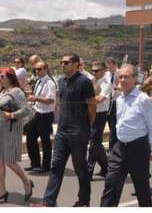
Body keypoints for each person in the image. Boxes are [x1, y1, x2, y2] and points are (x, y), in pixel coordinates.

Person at [32, 54, 95, 207]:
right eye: (61, 62)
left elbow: (92, 106)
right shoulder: (62, 81)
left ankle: (84, 200)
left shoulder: (84, 82)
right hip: (62, 130)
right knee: (56, 166)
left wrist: (87, 127)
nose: (63, 65)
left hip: (78, 131)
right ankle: (48, 201)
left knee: (80, 167)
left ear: (75, 64)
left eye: (66, 62)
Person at [99, 64, 152, 206]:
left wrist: (149, 148)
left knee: (142, 188)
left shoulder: (143, 99)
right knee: (111, 186)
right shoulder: (119, 100)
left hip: (138, 149)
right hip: (119, 149)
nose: (123, 80)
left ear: (134, 79)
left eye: (126, 77)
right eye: (120, 77)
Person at [0, 68, 33, 204]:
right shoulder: (2, 92)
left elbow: (27, 110)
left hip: (10, 130)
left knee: (9, 161)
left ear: (9, 77)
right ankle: (1, 190)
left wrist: (12, 115)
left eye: (2, 76)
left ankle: (26, 182)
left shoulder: (16, 92)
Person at [25, 59, 56, 174]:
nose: (37, 71)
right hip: (37, 113)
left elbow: (51, 100)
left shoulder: (50, 83)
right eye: (35, 69)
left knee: (45, 141)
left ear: (46, 69)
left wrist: (36, 98)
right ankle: (35, 163)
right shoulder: (38, 81)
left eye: (39, 69)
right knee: (30, 138)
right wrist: (32, 102)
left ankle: (46, 165)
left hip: (45, 115)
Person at [87, 61, 112, 179]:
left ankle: (89, 170)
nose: (93, 72)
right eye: (92, 70)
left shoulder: (106, 82)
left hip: (100, 114)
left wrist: (87, 100)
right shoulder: (93, 80)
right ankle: (106, 167)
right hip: (91, 113)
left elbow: (100, 98)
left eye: (96, 70)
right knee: (96, 142)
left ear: (103, 71)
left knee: (93, 142)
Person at [105, 57, 120, 150]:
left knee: (114, 125)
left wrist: (117, 85)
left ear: (114, 64)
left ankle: (112, 147)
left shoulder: (120, 73)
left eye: (110, 65)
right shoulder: (106, 74)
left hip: (117, 101)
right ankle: (116, 145)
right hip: (108, 101)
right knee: (110, 123)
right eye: (107, 65)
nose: (109, 67)